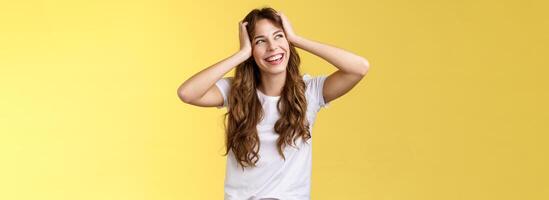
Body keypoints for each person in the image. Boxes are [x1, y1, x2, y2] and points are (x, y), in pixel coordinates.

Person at [177, 7, 370, 200]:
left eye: (278, 36)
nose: (272, 47)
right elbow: (187, 93)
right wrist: (241, 54)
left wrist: (296, 39)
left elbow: (359, 68)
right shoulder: (236, 91)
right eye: (260, 41)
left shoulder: (309, 92)